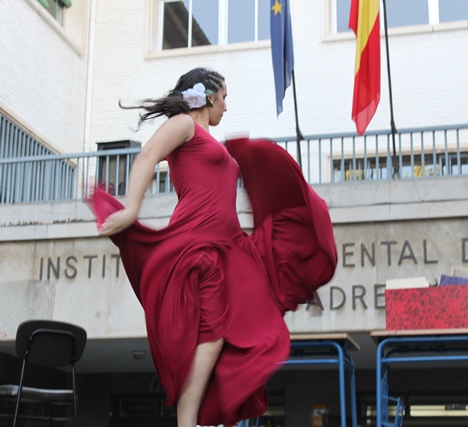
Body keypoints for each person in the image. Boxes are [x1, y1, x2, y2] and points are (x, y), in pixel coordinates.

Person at [90, 68, 337, 427]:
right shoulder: (184, 125)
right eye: (224, 97)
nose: (226, 105)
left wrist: (298, 279)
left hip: (227, 246)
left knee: (228, 331)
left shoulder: (208, 139)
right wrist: (131, 209)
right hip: (198, 243)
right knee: (214, 335)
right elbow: (147, 156)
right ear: (207, 97)